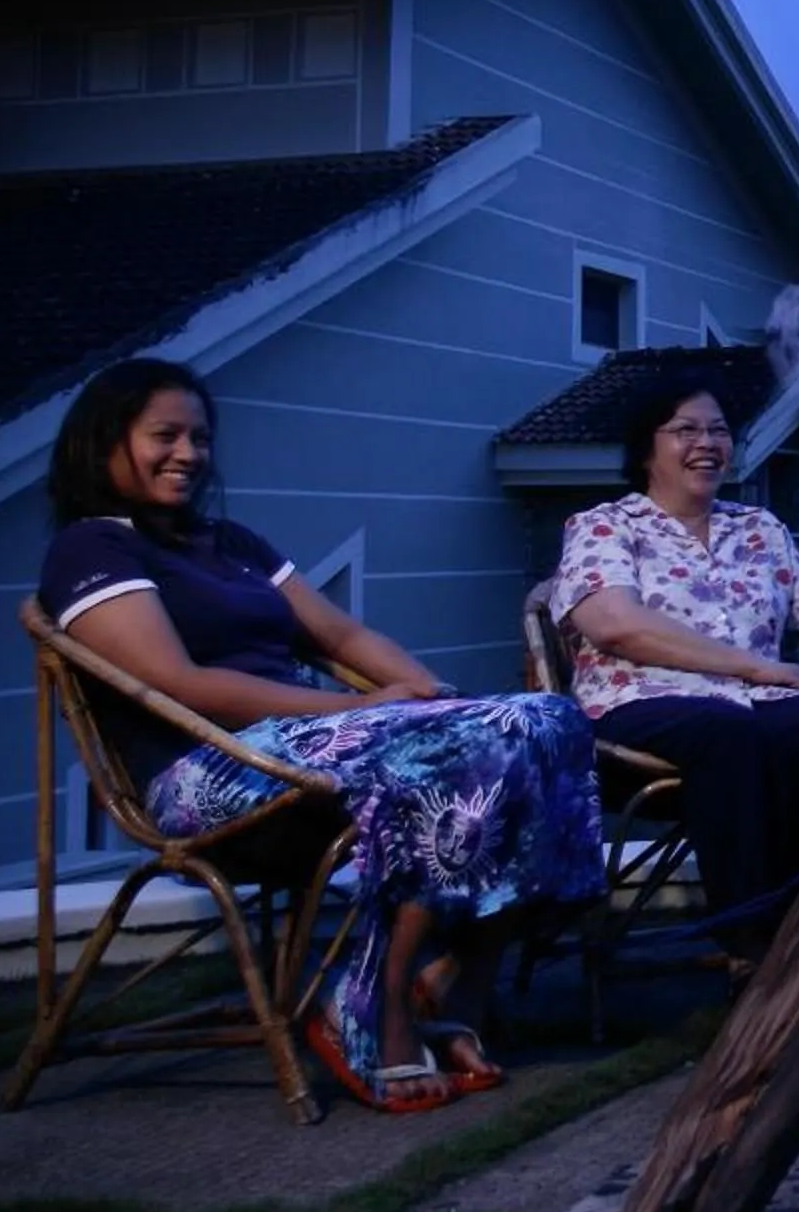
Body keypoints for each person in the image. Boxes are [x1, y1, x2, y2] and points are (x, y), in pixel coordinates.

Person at [37, 359, 607, 1115]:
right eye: (164, 435)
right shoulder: (92, 549)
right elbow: (178, 682)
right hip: (204, 769)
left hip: (305, 749)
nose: (188, 453)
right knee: (450, 751)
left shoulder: (229, 542)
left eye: (200, 438)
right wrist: (349, 713)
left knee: (544, 721)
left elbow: (337, 630)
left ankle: (457, 976)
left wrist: (433, 698)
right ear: (103, 443)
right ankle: (379, 1008)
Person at [553, 371, 799, 958]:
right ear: (647, 450)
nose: (706, 443)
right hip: (637, 708)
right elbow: (614, 623)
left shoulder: (758, 529)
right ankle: (750, 943)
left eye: (719, 431)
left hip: (755, 705)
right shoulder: (606, 525)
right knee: (725, 731)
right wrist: (752, 668)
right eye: (685, 430)